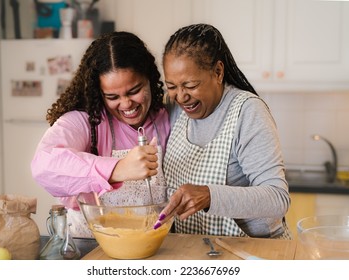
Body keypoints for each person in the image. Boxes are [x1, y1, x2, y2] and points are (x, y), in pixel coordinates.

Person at [154, 23, 291, 239]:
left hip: (254, 253)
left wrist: (209, 195)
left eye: (190, 85)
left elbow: (278, 199)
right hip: (197, 250)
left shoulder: (246, 111)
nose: (180, 96)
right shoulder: (175, 111)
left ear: (218, 72)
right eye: (172, 86)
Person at [31, 31, 170, 238]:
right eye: (112, 96)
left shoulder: (167, 117)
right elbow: (43, 166)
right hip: (91, 243)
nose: (126, 104)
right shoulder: (86, 122)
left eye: (134, 91)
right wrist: (117, 169)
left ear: (149, 77)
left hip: (153, 241)